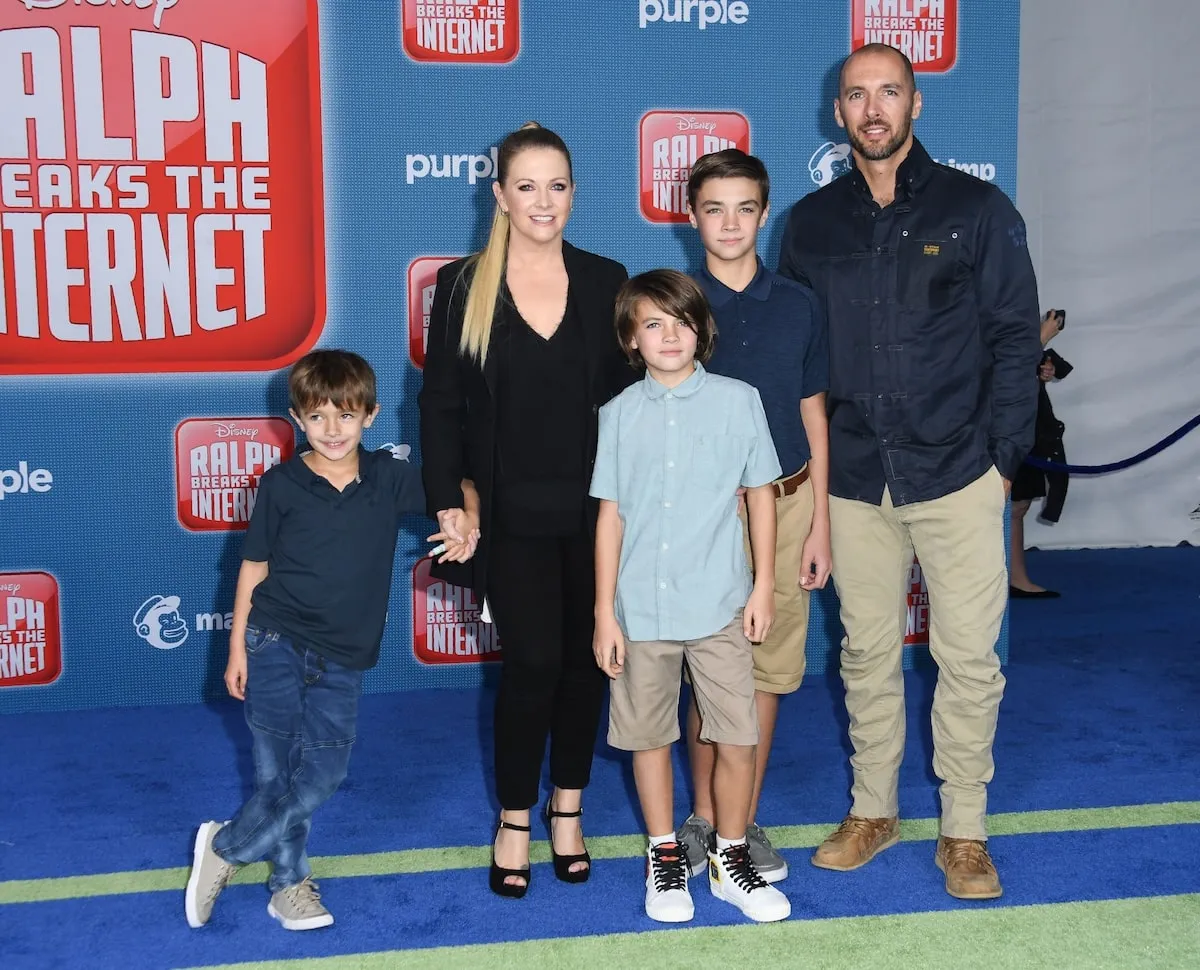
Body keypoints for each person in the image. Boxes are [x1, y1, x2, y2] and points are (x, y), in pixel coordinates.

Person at [778, 43, 1042, 900]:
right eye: (857, 96)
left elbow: (1014, 338)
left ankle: (964, 831)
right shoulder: (810, 226)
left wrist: (1004, 460)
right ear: (839, 113)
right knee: (864, 655)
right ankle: (873, 811)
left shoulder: (978, 208)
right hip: (853, 479)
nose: (873, 108)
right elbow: (799, 361)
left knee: (970, 661)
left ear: (916, 103)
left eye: (889, 91)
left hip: (961, 470)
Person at [417, 123, 633, 898]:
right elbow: (440, 408)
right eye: (528, 186)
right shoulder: (460, 286)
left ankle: (567, 809)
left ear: (573, 193)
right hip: (506, 518)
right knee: (534, 663)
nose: (545, 201)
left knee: (586, 664)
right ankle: (515, 816)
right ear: (501, 196)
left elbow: (637, 405)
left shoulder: (611, 281)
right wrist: (451, 499)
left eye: (559, 185)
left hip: (597, 515)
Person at [184, 350, 467, 930]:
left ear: (371, 416)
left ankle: (225, 847)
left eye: (346, 416)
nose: (332, 430)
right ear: (296, 419)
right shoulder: (280, 485)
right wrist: (236, 646)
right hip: (273, 641)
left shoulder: (391, 478)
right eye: (318, 417)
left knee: (323, 776)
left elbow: (457, 487)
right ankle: (288, 883)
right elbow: (253, 567)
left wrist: (468, 517)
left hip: (343, 657)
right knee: (275, 777)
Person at [591, 269, 791, 924]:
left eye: (679, 322)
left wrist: (762, 584)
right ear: (631, 337)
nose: (668, 336)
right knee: (648, 736)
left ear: (701, 330)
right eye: (652, 324)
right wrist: (603, 612)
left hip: (720, 605)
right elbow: (611, 516)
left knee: (737, 736)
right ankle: (664, 855)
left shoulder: (739, 400)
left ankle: (731, 857)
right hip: (640, 610)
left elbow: (761, 493)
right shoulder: (617, 415)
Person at [676, 149, 832, 884]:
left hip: (791, 503)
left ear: (765, 215)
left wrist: (821, 522)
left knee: (767, 671)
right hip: (700, 516)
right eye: (715, 207)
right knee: (708, 670)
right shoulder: (673, 306)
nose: (730, 222)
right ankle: (704, 817)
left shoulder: (799, 304)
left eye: (745, 208)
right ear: (691, 215)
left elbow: (812, 413)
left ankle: (745, 818)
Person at [1009, 310, 1073, 598]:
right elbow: (998, 369)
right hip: (1004, 425)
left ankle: (1016, 578)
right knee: (1010, 507)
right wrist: (1040, 340)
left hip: (1024, 423)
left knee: (1017, 505)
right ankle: (1009, 579)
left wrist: (1040, 368)